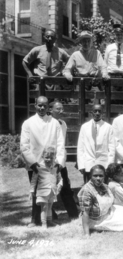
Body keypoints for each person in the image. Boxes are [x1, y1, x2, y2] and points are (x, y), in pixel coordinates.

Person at [20, 96, 66, 227]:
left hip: (50, 165)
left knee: (49, 191)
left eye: (44, 106)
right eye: (39, 105)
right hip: (35, 164)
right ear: (35, 105)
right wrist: (33, 163)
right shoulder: (28, 123)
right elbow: (24, 145)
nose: (41, 108)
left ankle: (49, 218)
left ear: (48, 107)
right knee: (36, 191)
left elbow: (60, 143)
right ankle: (35, 219)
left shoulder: (54, 123)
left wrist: (58, 162)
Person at [77, 165, 123, 235]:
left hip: (108, 213)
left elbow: (113, 201)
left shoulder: (104, 186)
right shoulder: (86, 190)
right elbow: (85, 213)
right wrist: (87, 234)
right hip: (96, 220)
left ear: (104, 177)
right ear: (90, 176)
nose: (98, 178)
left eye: (101, 176)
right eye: (95, 176)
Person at [48, 101, 79, 219]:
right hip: (49, 161)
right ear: (50, 109)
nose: (61, 111)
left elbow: (61, 144)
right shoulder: (47, 123)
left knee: (65, 186)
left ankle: (73, 213)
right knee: (49, 188)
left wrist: (61, 161)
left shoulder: (63, 124)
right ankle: (50, 215)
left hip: (61, 162)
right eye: (58, 109)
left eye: (62, 109)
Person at [77, 104, 115, 183]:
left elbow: (112, 148)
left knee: (103, 189)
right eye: (95, 111)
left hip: (103, 164)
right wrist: (81, 165)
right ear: (91, 113)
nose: (97, 113)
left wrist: (109, 165)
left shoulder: (108, 127)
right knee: (89, 189)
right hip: (88, 164)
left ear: (103, 113)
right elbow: (80, 147)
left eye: (99, 111)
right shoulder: (84, 127)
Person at [29, 147, 62, 228]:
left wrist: (60, 185)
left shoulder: (56, 167)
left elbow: (60, 178)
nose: (49, 159)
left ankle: (50, 221)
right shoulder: (38, 167)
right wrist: (31, 191)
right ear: (42, 157)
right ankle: (44, 223)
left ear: (54, 157)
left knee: (50, 207)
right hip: (42, 191)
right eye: (47, 157)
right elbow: (33, 180)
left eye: (51, 158)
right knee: (44, 207)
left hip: (52, 191)